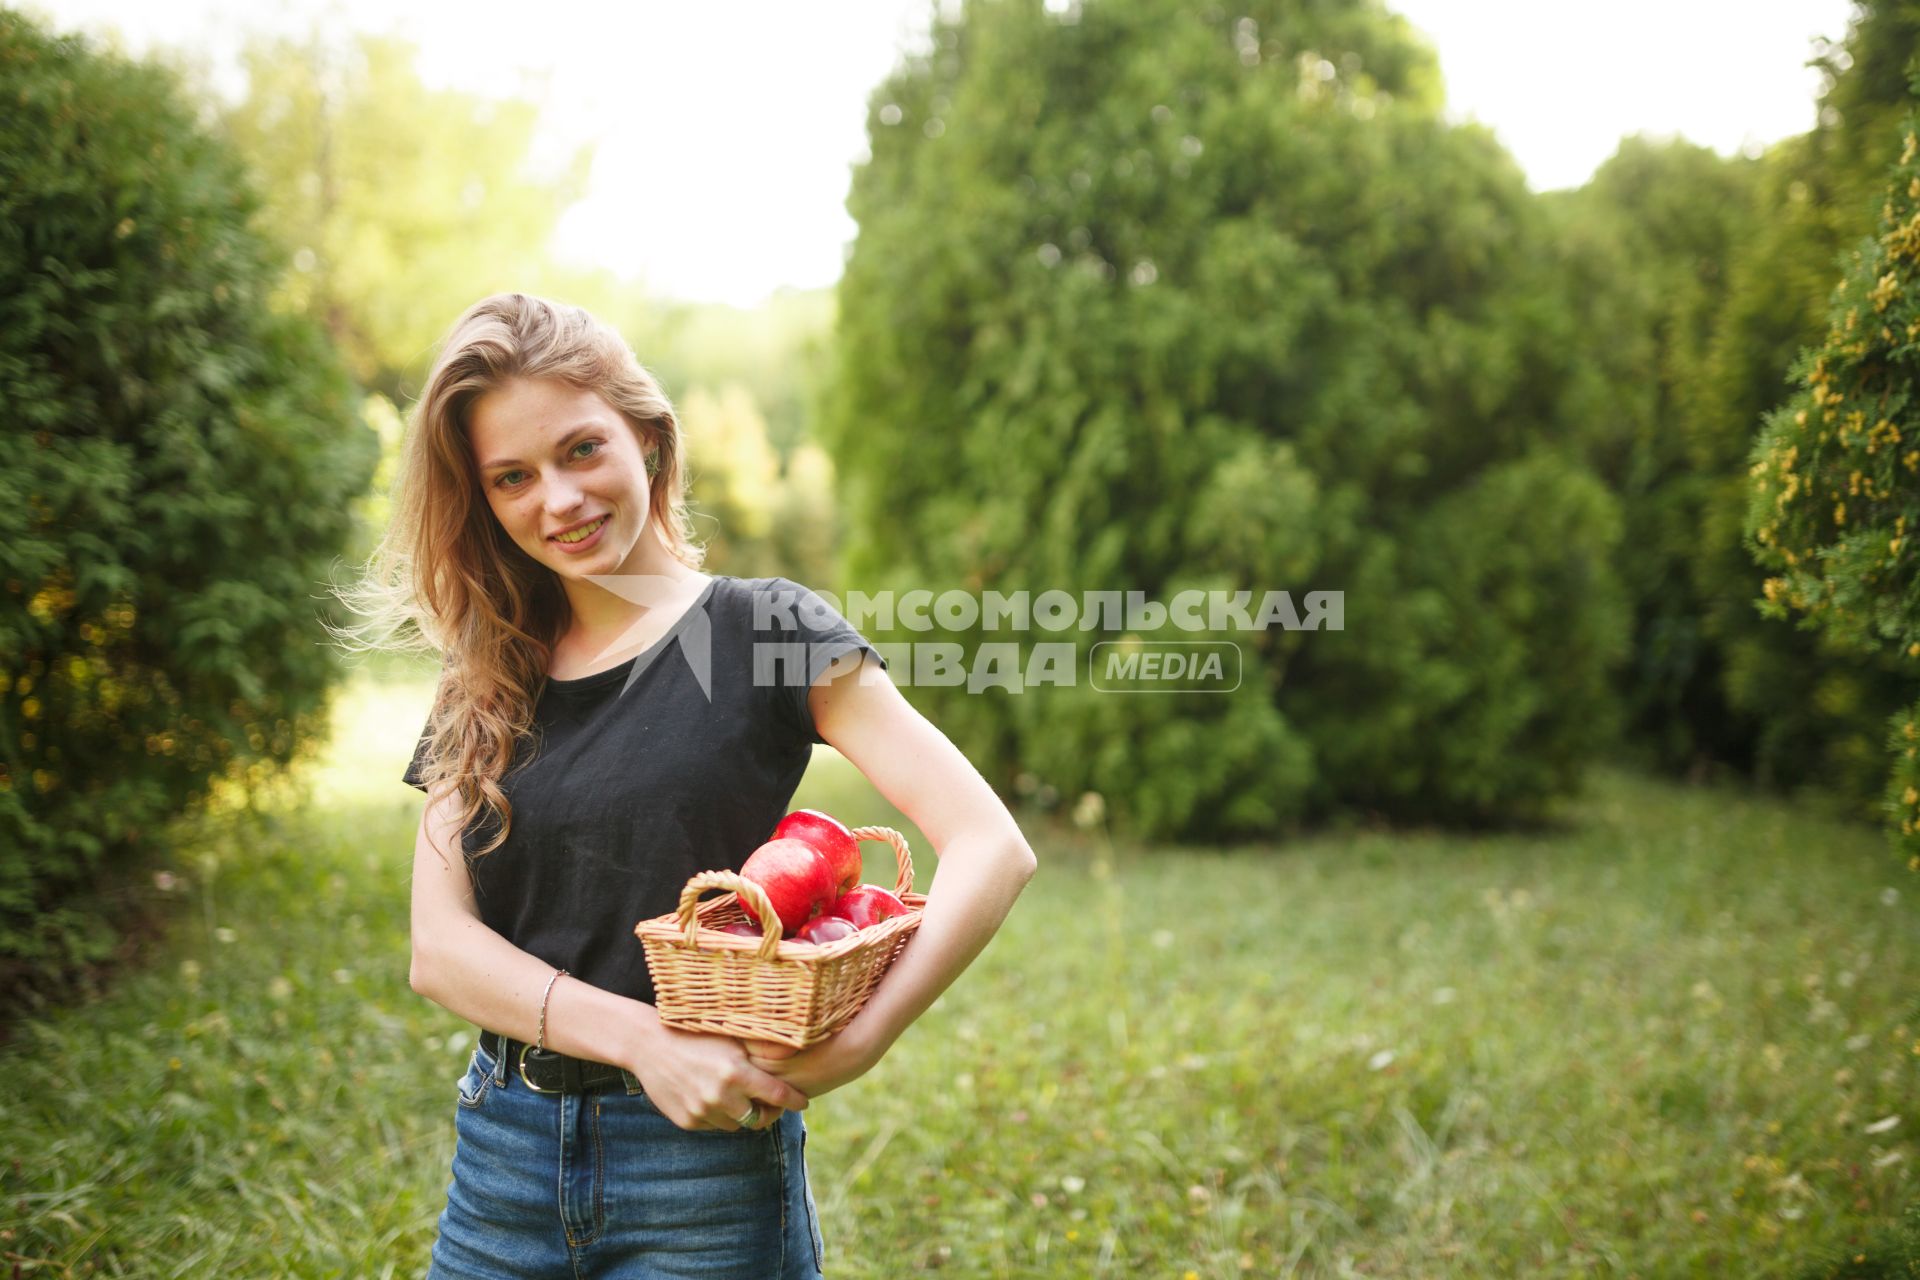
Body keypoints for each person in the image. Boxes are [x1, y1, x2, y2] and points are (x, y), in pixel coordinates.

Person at [338, 293, 1038, 1278]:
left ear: (650, 440)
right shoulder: (488, 668)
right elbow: (441, 949)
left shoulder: (763, 630)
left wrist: (859, 1043)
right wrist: (641, 1038)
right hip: (503, 1145)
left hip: (699, 1162)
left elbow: (990, 844)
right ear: (484, 499)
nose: (558, 498)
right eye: (512, 477)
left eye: (582, 449)